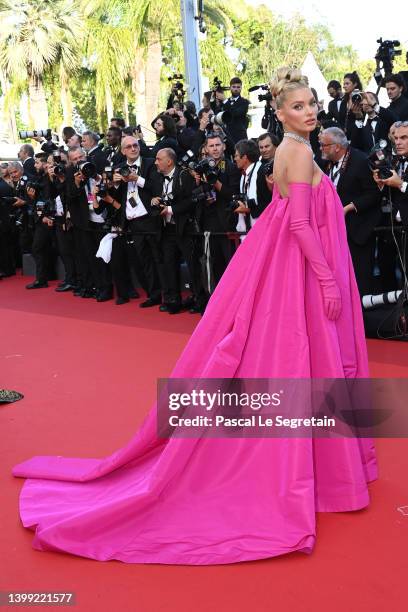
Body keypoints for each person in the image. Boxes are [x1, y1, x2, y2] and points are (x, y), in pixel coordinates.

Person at [13, 67, 377, 565]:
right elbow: (298, 224)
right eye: (298, 106)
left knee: (298, 359)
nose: (309, 112)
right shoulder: (297, 152)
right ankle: (303, 469)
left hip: (289, 270)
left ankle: (315, 462)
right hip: (300, 272)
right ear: (279, 112)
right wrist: (328, 279)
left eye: (312, 103)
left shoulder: (297, 149)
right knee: (296, 357)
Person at [319, 127, 382, 296]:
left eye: (323, 145)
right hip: (337, 231)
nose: (320, 149)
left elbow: (374, 194)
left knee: (360, 280)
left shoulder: (360, 160)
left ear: (337, 147)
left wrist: (348, 208)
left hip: (358, 231)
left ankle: (364, 317)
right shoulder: (327, 163)